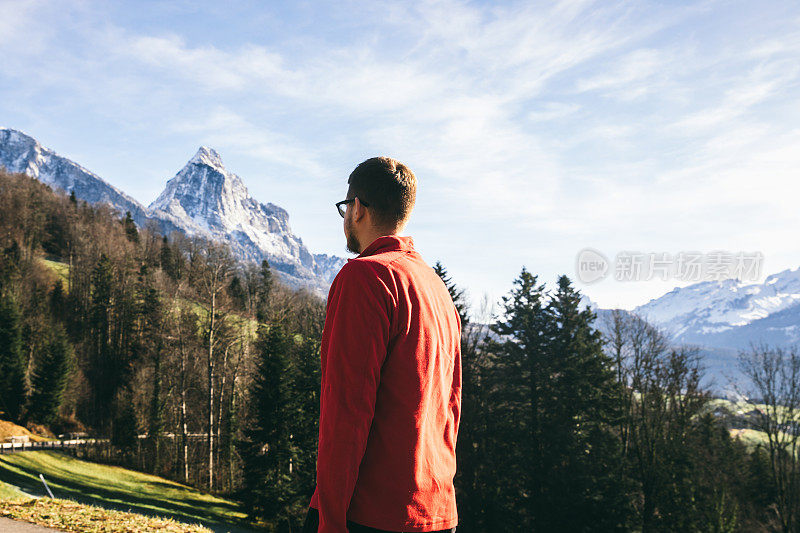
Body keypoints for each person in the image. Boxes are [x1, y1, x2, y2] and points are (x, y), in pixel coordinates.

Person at [302, 157, 461, 533]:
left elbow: (346, 412)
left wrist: (330, 519)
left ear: (357, 208)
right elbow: (450, 407)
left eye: (345, 208)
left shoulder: (365, 277)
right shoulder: (435, 288)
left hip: (371, 515)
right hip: (437, 511)